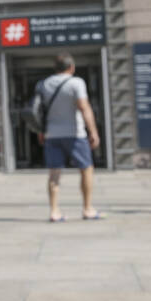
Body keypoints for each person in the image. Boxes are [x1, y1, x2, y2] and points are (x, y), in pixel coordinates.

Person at [37, 53, 102, 222]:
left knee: (54, 173)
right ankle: (87, 209)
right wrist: (93, 131)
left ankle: (54, 211)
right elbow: (84, 107)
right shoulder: (76, 83)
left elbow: (39, 111)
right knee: (86, 169)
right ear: (71, 67)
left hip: (52, 134)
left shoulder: (44, 84)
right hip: (75, 134)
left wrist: (41, 131)